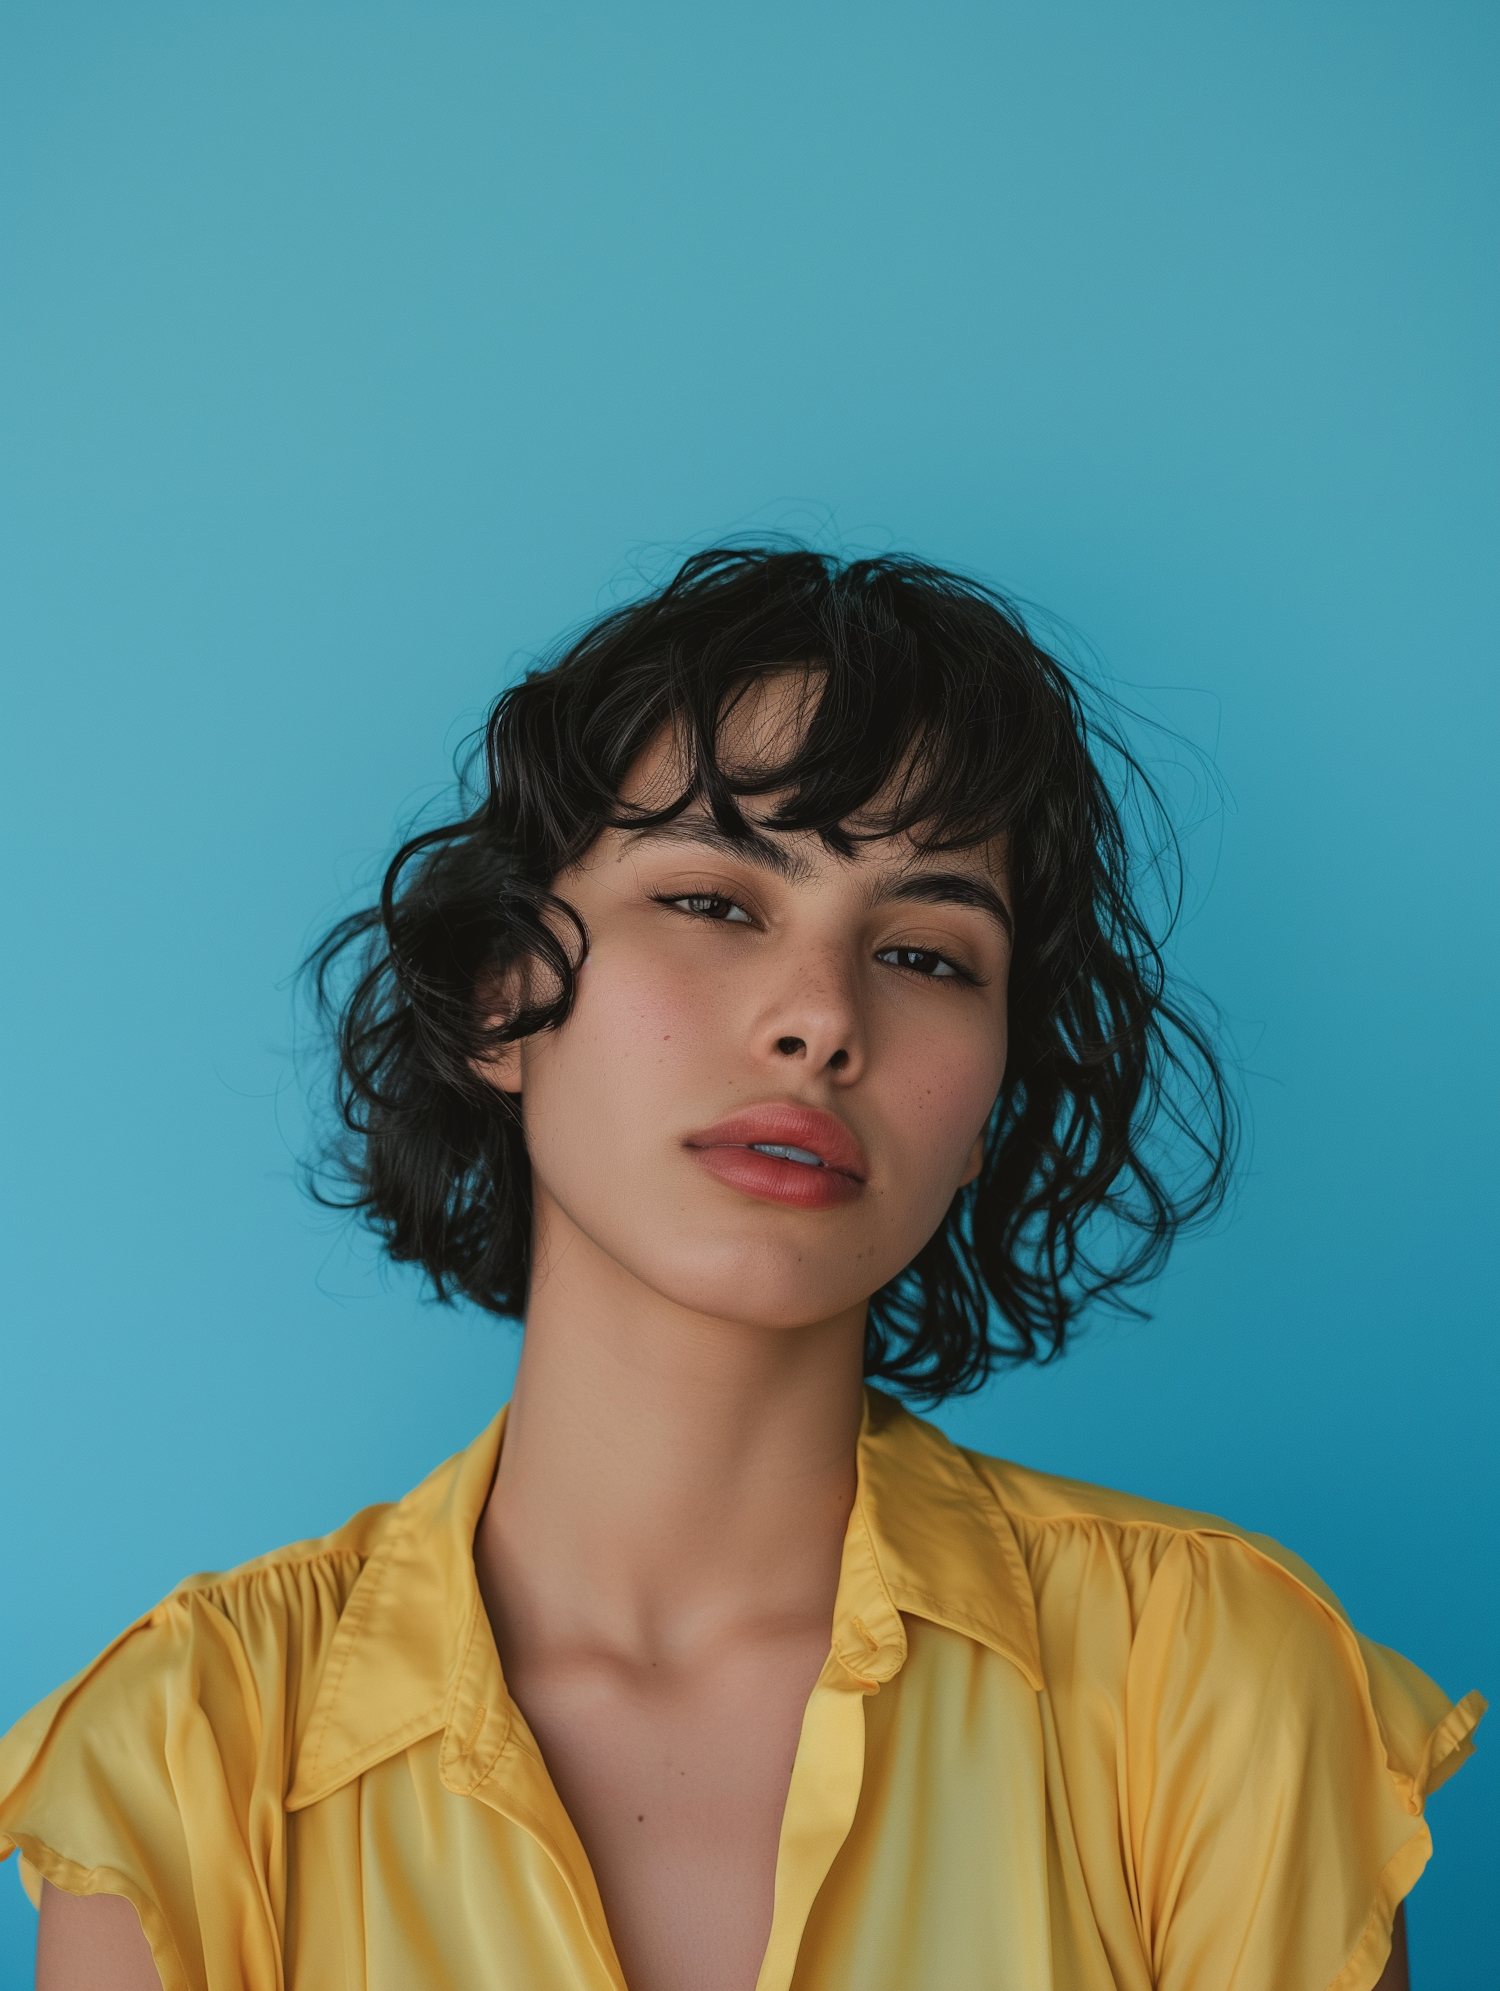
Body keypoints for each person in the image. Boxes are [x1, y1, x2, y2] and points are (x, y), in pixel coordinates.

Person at [1, 549, 1483, 1991]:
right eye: (715, 902)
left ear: (983, 1114)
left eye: (929, 955)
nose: (820, 1017)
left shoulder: (1218, 1687)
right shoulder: (189, 1753)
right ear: (504, 996)